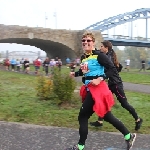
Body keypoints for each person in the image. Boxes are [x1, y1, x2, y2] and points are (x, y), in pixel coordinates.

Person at [66, 33, 136, 150]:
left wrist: (100, 78)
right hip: (89, 89)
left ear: (93, 42)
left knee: (82, 116)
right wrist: (75, 74)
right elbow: (85, 72)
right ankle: (129, 136)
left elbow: (112, 69)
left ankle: (80, 146)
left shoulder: (99, 55)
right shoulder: (84, 57)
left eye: (88, 40)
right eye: (83, 40)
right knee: (107, 116)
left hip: (98, 90)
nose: (85, 42)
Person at [90, 40, 143, 131]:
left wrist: (105, 76)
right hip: (111, 84)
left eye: (102, 46)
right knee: (103, 101)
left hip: (116, 85)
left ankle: (138, 119)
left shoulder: (109, 57)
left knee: (124, 104)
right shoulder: (108, 55)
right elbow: (119, 67)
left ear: (106, 48)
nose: (100, 48)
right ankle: (100, 121)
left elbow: (114, 69)